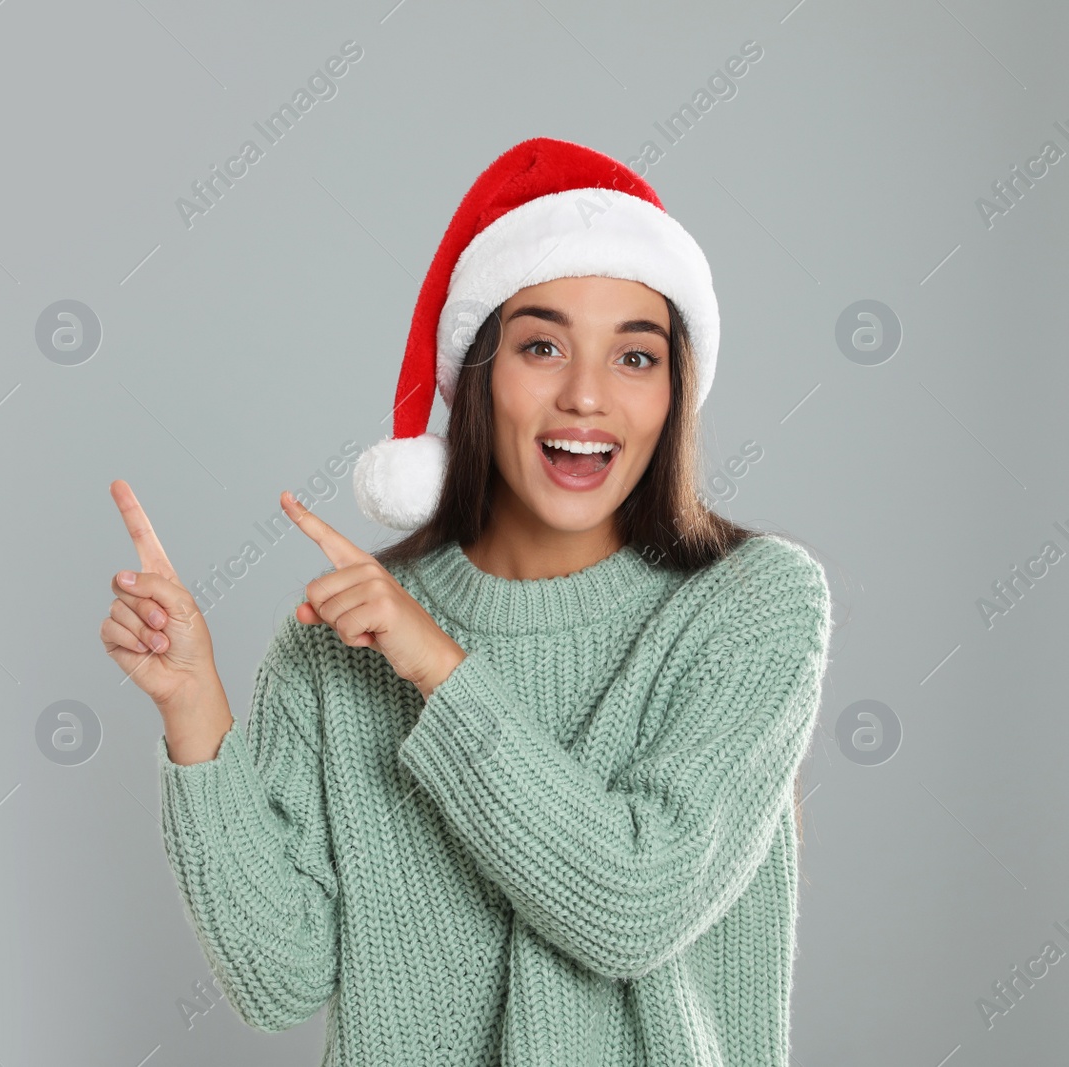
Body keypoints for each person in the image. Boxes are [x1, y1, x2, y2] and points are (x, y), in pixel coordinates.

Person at [102, 136, 832, 1066]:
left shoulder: (754, 604)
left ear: (676, 391)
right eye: (542, 345)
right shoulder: (344, 639)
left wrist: (436, 666)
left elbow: (633, 904)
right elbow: (278, 976)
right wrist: (193, 709)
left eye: (635, 358)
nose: (585, 396)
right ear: (481, 374)